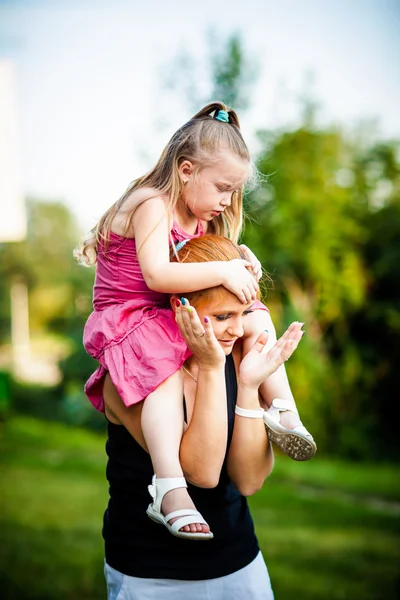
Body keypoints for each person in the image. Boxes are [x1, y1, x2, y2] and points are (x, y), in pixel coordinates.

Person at [76, 101, 315, 540]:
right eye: (222, 187)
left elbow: (194, 268)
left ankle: (282, 409)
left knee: (257, 316)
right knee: (163, 376)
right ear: (186, 170)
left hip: (166, 310)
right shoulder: (152, 203)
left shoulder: (195, 216)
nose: (227, 200)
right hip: (130, 317)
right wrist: (223, 271)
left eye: (233, 191)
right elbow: (157, 274)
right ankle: (168, 488)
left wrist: (239, 262)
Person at [101, 236, 305, 600]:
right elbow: (203, 473)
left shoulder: (236, 353)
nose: (238, 330)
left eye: (243, 314)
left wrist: (247, 387)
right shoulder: (134, 373)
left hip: (240, 561)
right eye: (224, 317)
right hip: (152, 573)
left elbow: (249, 480)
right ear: (182, 307)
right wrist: (211, 369)